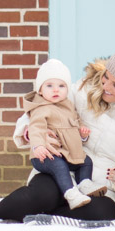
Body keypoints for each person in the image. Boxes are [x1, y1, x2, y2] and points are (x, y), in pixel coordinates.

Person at [0, 46, 115, 223]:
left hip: (101, 187)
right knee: (42, 195)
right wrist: (34, 133)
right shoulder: (82, 90)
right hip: (62, 166)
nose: (106, 86)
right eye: (106, 77)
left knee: (102, 212)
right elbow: (40, 107)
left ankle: (44, 215)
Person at [25, 58, 107, 209]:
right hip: (46, 155)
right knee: (59, 166)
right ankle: (71, 194)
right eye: (49, 85)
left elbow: (76, 120)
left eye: (61, 86)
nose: (56, 90)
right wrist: (38, 147)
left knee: (86, 161)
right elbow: (35, 128)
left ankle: (85, 184)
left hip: (68, 152)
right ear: (40, 90)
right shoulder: (41, 108)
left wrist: (82, 133)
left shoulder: (68, 105)